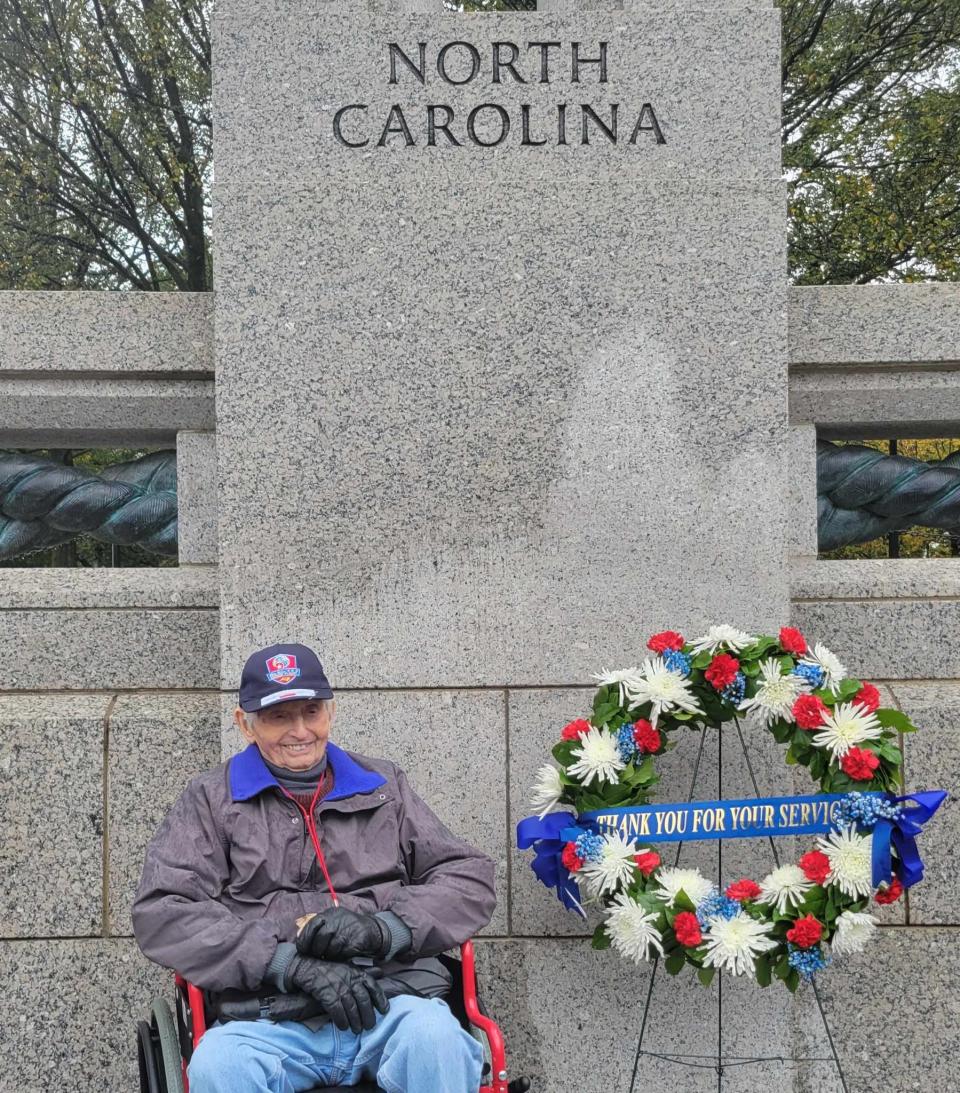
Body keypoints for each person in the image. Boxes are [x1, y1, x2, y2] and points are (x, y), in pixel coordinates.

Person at [132, 642, 497, 1092]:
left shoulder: (384, 786)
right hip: (265, 1016)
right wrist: (286, 963)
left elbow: (468, 876)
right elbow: (163, 910)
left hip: (389, 1002)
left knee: (438, 1039)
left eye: (310, 711)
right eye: (279, 716)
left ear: (331, 712)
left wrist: (384, 930)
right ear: (244, 724)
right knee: (218, 1066)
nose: (299, 730)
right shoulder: (211, 800)